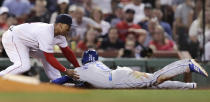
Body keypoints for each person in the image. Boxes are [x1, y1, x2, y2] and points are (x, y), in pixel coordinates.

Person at [52, 50, 208, 89]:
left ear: (84, 59)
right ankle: (189, 86)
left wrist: (52, 84)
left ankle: (187, 64)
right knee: (155, 84)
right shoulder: (98, 65)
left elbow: (61, 80)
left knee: (154, 78)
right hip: (120, 74)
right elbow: (89, 83)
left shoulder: (80, 70)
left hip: (119, 79)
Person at [0, 14, 80, 80]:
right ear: (60, 25)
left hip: (27, 42)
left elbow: (67, 52)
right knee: (23, 66)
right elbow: (50, 57)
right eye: (68, 27)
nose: (69, 29)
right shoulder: (46, 32)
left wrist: (78, 67)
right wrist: (66, 71)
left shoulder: (61, 36)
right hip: (13, 37)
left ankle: (57, 80)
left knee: (43, 56)